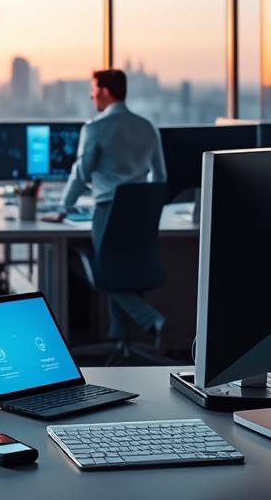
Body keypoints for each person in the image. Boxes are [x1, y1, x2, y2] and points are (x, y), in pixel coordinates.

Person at [60, 68, 167, 344]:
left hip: (108, 211)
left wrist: (63, 206)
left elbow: (81, 173)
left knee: (98, 269)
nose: (91, 96)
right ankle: (120, 341)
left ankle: (150, 319)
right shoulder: (147, 127)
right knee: (126, 269)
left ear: (105, 92)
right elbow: (160, 177)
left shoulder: (95, 128)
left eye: (93, 90)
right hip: (142, 213)